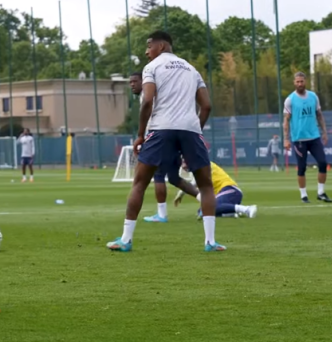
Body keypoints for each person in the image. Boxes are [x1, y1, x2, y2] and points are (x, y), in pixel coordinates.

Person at [106, 31, 224, 252]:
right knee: (206, 185)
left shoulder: (152, 68)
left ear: (160, 46)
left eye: (149, 46)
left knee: (140, 183)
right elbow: (206, 106)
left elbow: (147, 101)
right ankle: (210, 242)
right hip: (190, 129)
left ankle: (126, 239)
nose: (146, 51)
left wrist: (141, 134)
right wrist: (196, 129)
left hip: (161, 128)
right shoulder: (191, 68)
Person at [128, 71, 198, 223]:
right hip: (175, 135)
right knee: (173, 178)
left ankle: (162, 214)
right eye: (130, 82)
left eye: (135, 81)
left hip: (159, 138)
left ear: (143, 81)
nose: (132, 84)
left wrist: (144, 137)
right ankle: (205, 200)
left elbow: (152, 116)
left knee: (157, 175)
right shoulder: (160, 94)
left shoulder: (148, 96)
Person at [283, 72, 332, 204]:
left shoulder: (313, 97)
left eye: (302, 81)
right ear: (294, 83)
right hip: (299, 139)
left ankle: (321, 192)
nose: (300, 84)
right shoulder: (290, 100)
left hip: (314, 137)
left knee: (322, 162)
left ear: (305, 82)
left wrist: (324, 132)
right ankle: (303, 195)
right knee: (302, 167)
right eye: (297, 82)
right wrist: (286, 139)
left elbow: (319, 115)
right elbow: (286, 120)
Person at [173, 160, 257, 219]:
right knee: (202, 211)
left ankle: (247, 209)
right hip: (225, 195)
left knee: (210, 207)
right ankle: (230, 213)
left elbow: (193, 184)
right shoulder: (198, 167)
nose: (183, 165)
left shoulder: (203, 164)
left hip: (231, 190)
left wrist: (180, 194)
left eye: (184, 161)